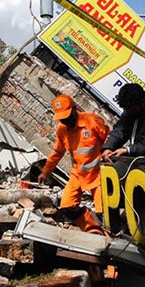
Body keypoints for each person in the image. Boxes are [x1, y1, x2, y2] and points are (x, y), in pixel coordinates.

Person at [37, 95, 108, 235]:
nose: (64, 120)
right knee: (67, 207)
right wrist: (46, 171)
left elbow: (110, 141)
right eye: (61, 118)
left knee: (104, 213)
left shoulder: (92, 121)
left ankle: (108, 235)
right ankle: (94, 231)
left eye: (66, 116)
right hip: (78, 174)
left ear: (75, 109)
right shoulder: (62, 130)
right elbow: (58, 152)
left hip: (98, 174)